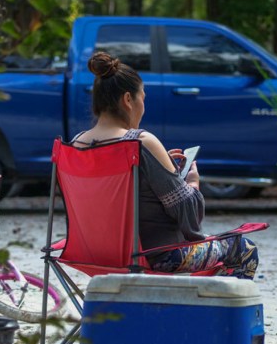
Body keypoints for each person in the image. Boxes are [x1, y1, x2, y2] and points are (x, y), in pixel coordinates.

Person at [67, 51, 259, 279]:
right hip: (157, 256)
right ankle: (211, 314)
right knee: (245, 249)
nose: (143, 106)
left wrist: (157, 167)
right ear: (128, 100)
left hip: (91, 254)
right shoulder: (141, 142)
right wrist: (192, 182)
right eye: (143, 99)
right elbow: (188, 213)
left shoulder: (76, 144)